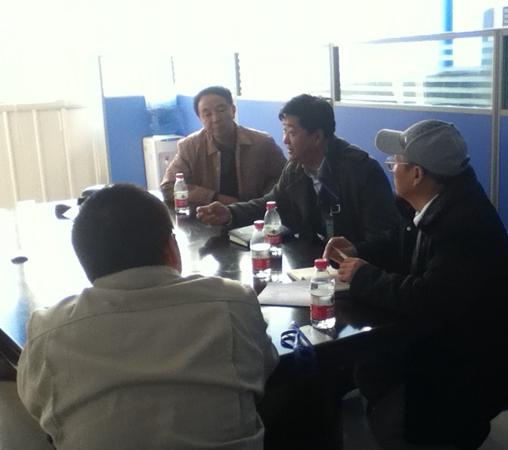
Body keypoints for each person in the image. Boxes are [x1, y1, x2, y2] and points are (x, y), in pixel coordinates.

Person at [324, 120, 508, 450]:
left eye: (396, 163)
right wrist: (358, 252)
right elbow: (398, 245)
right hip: (442, 334)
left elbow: (428, 298)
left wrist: (363, 276)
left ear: (417, 174)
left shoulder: (465, 226)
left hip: (477, 355)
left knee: (390, 414)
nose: (392, 169)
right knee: (366, 368)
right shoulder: (433, 203)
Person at [17, 183, 279, 450]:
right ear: (170, 249)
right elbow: (264, 368)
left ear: (87, 264)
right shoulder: (234, 303)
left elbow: (37, 405)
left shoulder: (47, 332)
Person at [197, 93, 400, 252]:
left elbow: (385, 239)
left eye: (292, 132)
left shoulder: (361, 171)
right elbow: (270, 204)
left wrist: (353, 252)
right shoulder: (295, 168)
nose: (285, 140)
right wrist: (229, 212)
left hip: (357, 270)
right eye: (284, 130)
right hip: (313, 263)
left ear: (317, 137)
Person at [161, 85, 286, 205]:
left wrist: (259, 204)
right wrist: (215, 198)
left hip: (252, 214)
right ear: (200, 119)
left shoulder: (262, 142)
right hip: (207, 214)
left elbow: (284, 179)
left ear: (233, 110)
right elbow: (169, 187)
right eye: (207, 114)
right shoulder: (189, 147)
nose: (215, 119)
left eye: (221, 110)